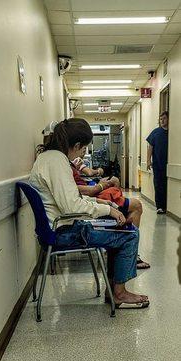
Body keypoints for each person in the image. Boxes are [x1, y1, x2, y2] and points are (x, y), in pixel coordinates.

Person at [30, 118, 149, 308]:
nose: (82, 153)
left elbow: (68, 200)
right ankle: (119, 293)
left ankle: (114, 290)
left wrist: (98, 202)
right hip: (64, 232)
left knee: (117, 230)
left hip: (59, 227)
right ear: (76, 145)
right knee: (129, 234)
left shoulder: (47, 158)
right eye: (83, 148)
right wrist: (107, 210)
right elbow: (71, 207)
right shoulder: (58, 162)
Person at [146, 111, 169, 214]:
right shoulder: (155, 132)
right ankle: (160, 206)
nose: (162, 121)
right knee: (158, 185)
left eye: (164, 118)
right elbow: (150, 147)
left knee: (166, 185)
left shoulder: (171, 133)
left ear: (168, 119)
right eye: (161, 119)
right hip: (157, 164)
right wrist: (148, 161)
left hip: (168, 164)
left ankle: (167, 206)